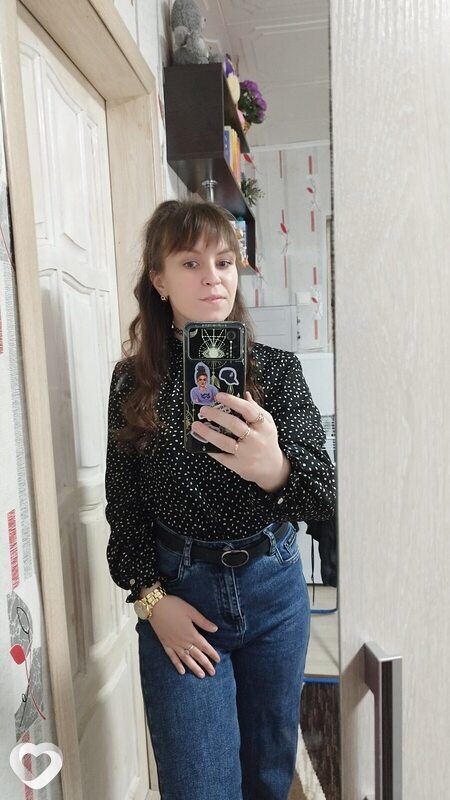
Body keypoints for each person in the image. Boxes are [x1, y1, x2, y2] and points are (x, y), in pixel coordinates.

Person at [105, 200, 336, 800]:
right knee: (199, 785)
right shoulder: (132, 383)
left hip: (274, 591)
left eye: (225, 262)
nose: (213, 277)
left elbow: (325, 492)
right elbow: (124, 509)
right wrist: (151, 601)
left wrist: (275, 468)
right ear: (159, 280)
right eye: (190, 262)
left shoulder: (277, 372)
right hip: (180, 595)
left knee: (267, 774)